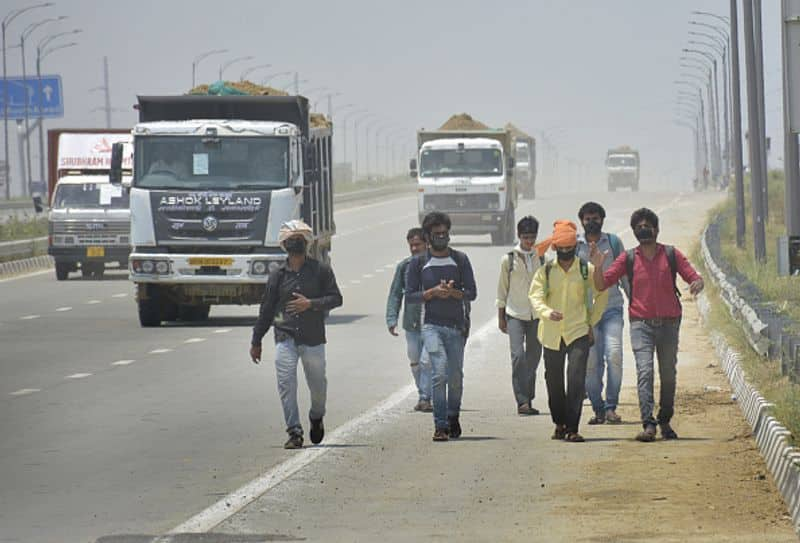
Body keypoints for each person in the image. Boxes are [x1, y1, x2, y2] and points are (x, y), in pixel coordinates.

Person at [590, 208, 704, 442]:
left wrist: (697, 282)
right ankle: (648, 423)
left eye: (647, 225)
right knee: (645, 371)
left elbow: (692, 275)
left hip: (669, 324)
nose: (644, 229)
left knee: (668, 374)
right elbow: (601, 285)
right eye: (639, 226)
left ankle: (665, 420)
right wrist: (598, 266)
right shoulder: (628, 258)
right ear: (634, 232)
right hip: (640, 324)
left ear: (656, 229)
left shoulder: (671, 254)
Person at [250, 220, 343, 449]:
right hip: (285, 336)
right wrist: (256, 340)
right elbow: (267, 309)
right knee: (286, 384)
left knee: (318, 385)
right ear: (284, 245)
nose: (295, 243)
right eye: (291, 240)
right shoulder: (277, 276)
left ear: (307, 243)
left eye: (299, 239)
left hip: (313, 338)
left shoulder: (320, 270)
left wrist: (310, 304)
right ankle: (294, 431)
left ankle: (316, 416)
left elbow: (336, 298)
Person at [529, 220, 608, 443]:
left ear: (575, 247)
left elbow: (602, 292)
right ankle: (559, 423)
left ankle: (573, 427)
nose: (565, 252)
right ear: (555, 248)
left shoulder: (585, 270)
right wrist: (546, 311)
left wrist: (591, 321)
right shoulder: (545, 271)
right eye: (561, 248)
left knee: (575, 380)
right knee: (553, 381)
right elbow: (535, 296)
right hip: (551, 334)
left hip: (578, 332)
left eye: (569, 248)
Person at [405, 211, 477, 442]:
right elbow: (411, 296)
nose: (441, 237)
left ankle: (453, 415)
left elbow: (471, 293)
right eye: (437, 234)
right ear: (428, 236)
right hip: (431, 326)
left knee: (455, 376)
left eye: (445, 233)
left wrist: (453, 293)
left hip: (456, 327)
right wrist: (433, 293)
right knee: (439, 373)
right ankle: (440, 424)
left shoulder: (461, 259)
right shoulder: (418, 263)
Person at [576, 202, 629, 425]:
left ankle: (610, 407)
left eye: (595, 218)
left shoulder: (614, 243)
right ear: (582, 222)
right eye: (587, 219)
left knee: (614, 355)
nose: (591, 222)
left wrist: (634, 301)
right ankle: (597, 409)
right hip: (585, 315)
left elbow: (625, 276)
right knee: (590, 364)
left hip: (612, 309)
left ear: (602, 220)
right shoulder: (574, 246)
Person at [497, 215, 544, 416]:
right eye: (525, 237)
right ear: (519, 235)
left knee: (533, 359)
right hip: (514, 314)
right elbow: (502, 290)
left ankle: (529, 397)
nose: (529, 241)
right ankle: (522, 401)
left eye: (532, 237)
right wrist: (501, 317)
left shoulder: (542, 258)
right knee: (518, 356)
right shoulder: (508, 259)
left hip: (537, 316)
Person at [386, 227, 432, 412]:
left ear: (427, 244)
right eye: (411, 245)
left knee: (427, 361)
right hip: (411, 323)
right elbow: (395, 293)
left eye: (418, 244)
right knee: (414, 359)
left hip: (432, 322)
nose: (414, 248)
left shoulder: (435, 264)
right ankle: (423, 392)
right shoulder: (404, 267)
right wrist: (391, 318)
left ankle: (425, 397)